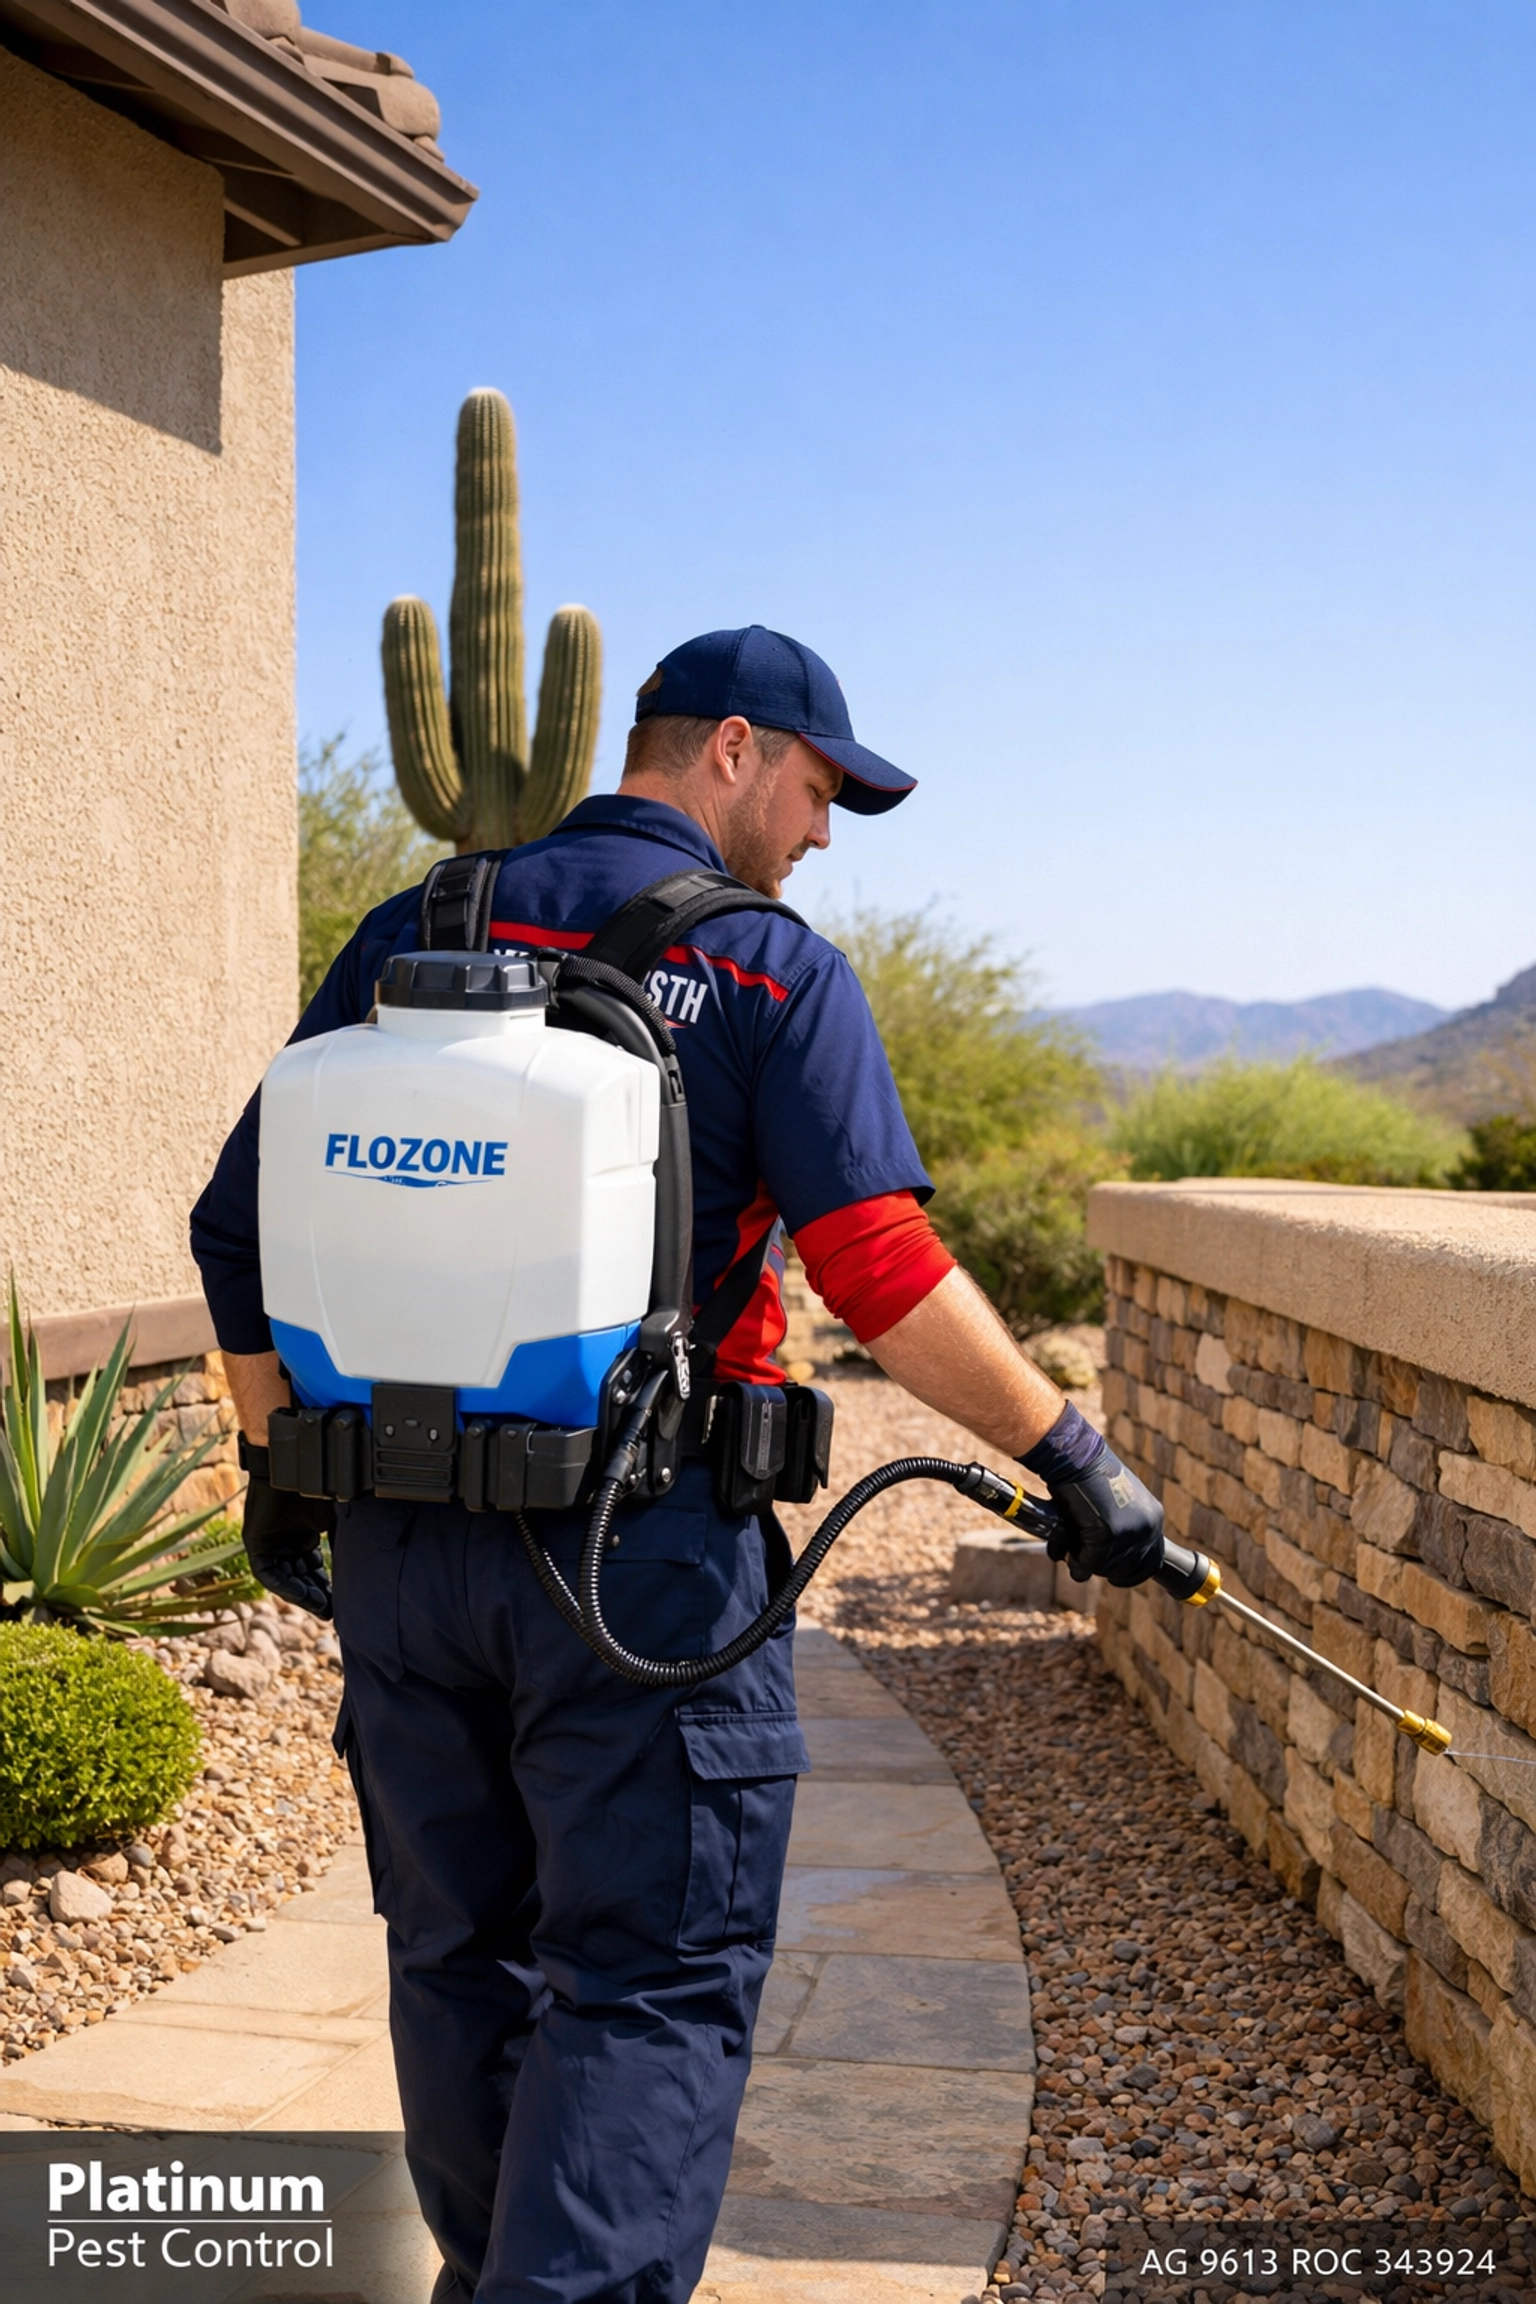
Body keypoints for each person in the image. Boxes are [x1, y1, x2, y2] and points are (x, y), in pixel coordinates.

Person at [190, 625, 1165, 2304]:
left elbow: (233, 1231)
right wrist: (1072, 1454)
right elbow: (880, 1270)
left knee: (453, 1954)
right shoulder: (774, 970)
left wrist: (301, 1473)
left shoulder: (409, 930)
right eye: (815, 786)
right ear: (728, 749)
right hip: (638, 1570)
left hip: (405, 1564)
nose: (823, 831)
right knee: (647, 1977)